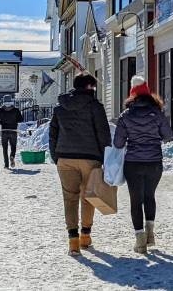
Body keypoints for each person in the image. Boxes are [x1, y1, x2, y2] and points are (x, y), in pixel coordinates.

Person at [49, 73, 110, 256]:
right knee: (88, 196)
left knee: (70, 198)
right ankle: (85, 235)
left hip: (65, 158)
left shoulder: (60, 108)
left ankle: (73, 241)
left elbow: (53, 135)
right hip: (90, 158)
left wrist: (56, 156)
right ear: (89, 87)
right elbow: (103, 134)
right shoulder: (95, 107)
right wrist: (105, 157)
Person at [113, 75, 173, 255]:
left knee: (135, 200)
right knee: (150, 196)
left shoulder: (126, 115)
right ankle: (150, 234)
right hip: (154, 162)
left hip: (133, 163)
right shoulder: (157, 113)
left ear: (132, 95)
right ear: (148, 94)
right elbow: (168, 136)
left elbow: (118, 143)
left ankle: (140, 242)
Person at [0, 100, 25, 168]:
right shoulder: (16, 110)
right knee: (13, 146)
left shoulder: (0, 110)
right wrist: (15, 121)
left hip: (4, 131)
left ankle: (6, 165)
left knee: (5, 148)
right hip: (13, 131)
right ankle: (12, 156)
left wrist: (1, 122)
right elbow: (21, 119)